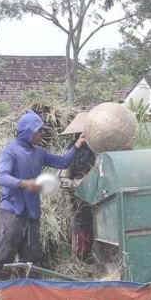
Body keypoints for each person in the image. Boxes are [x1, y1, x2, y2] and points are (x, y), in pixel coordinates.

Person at [0, 110, 87, 280]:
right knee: (5, 256)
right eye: (39, 130)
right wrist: (25, 183)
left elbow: (62, 162)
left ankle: (30, 295)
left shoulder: (39, 152)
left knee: (32, 260)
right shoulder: (10, 151)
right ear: (29, 131)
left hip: (32, 214)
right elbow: (2, 177)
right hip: (12, 212)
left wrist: (77, 144)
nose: (42, 133)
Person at [59, 111, 97, 262]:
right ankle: (82, 262)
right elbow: (61, 179)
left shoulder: (99, 150)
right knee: (82, 228)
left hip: (100, 199)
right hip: (80, 200)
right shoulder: (70, 152)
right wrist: (80, 184)